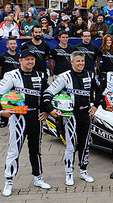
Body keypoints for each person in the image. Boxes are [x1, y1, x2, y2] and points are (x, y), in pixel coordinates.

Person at [0, 50, 52, 196]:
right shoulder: (12, 76)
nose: (30, 62)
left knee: (35, 149)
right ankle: (8, 181)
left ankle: (38, 177)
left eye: (32, 59)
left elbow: (47, 95)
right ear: (20, 60)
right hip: (18, 118)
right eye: (27, 59)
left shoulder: (41, 75)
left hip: (36, 117)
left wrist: (47, 110)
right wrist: (1, 111)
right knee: (14, 150)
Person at [43, 52, 100, 186]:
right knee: (71, 146)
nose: (81, 63)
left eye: (82, 61)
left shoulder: (90, 74)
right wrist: (51, 110)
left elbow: (99, 90)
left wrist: (96, 106)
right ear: (72, 62)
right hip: (70, 117)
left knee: (85, 145)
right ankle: (69, 173)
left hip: (86, 115)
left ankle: (83, 171)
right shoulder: (64, 77)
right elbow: (48, 93)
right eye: (78, 61)